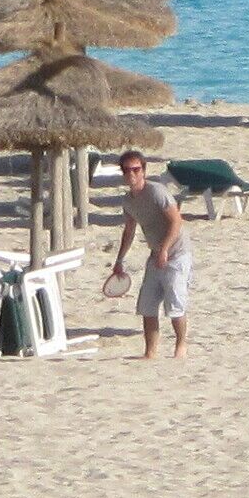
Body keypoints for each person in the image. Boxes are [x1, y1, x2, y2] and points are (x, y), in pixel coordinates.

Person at [107, 148, 194, 360]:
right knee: (147, 306)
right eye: (127, 171)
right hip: (155, 256)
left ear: (143, 171)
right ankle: (150, 352)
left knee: (175, 306)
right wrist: (119, 259)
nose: (132, 175)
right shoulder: (128, 201)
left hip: (177, 254)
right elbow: (129, 230)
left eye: (136, 170)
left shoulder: (157, 192)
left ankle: (181, 345)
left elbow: (176, 221)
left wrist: (165, 248)